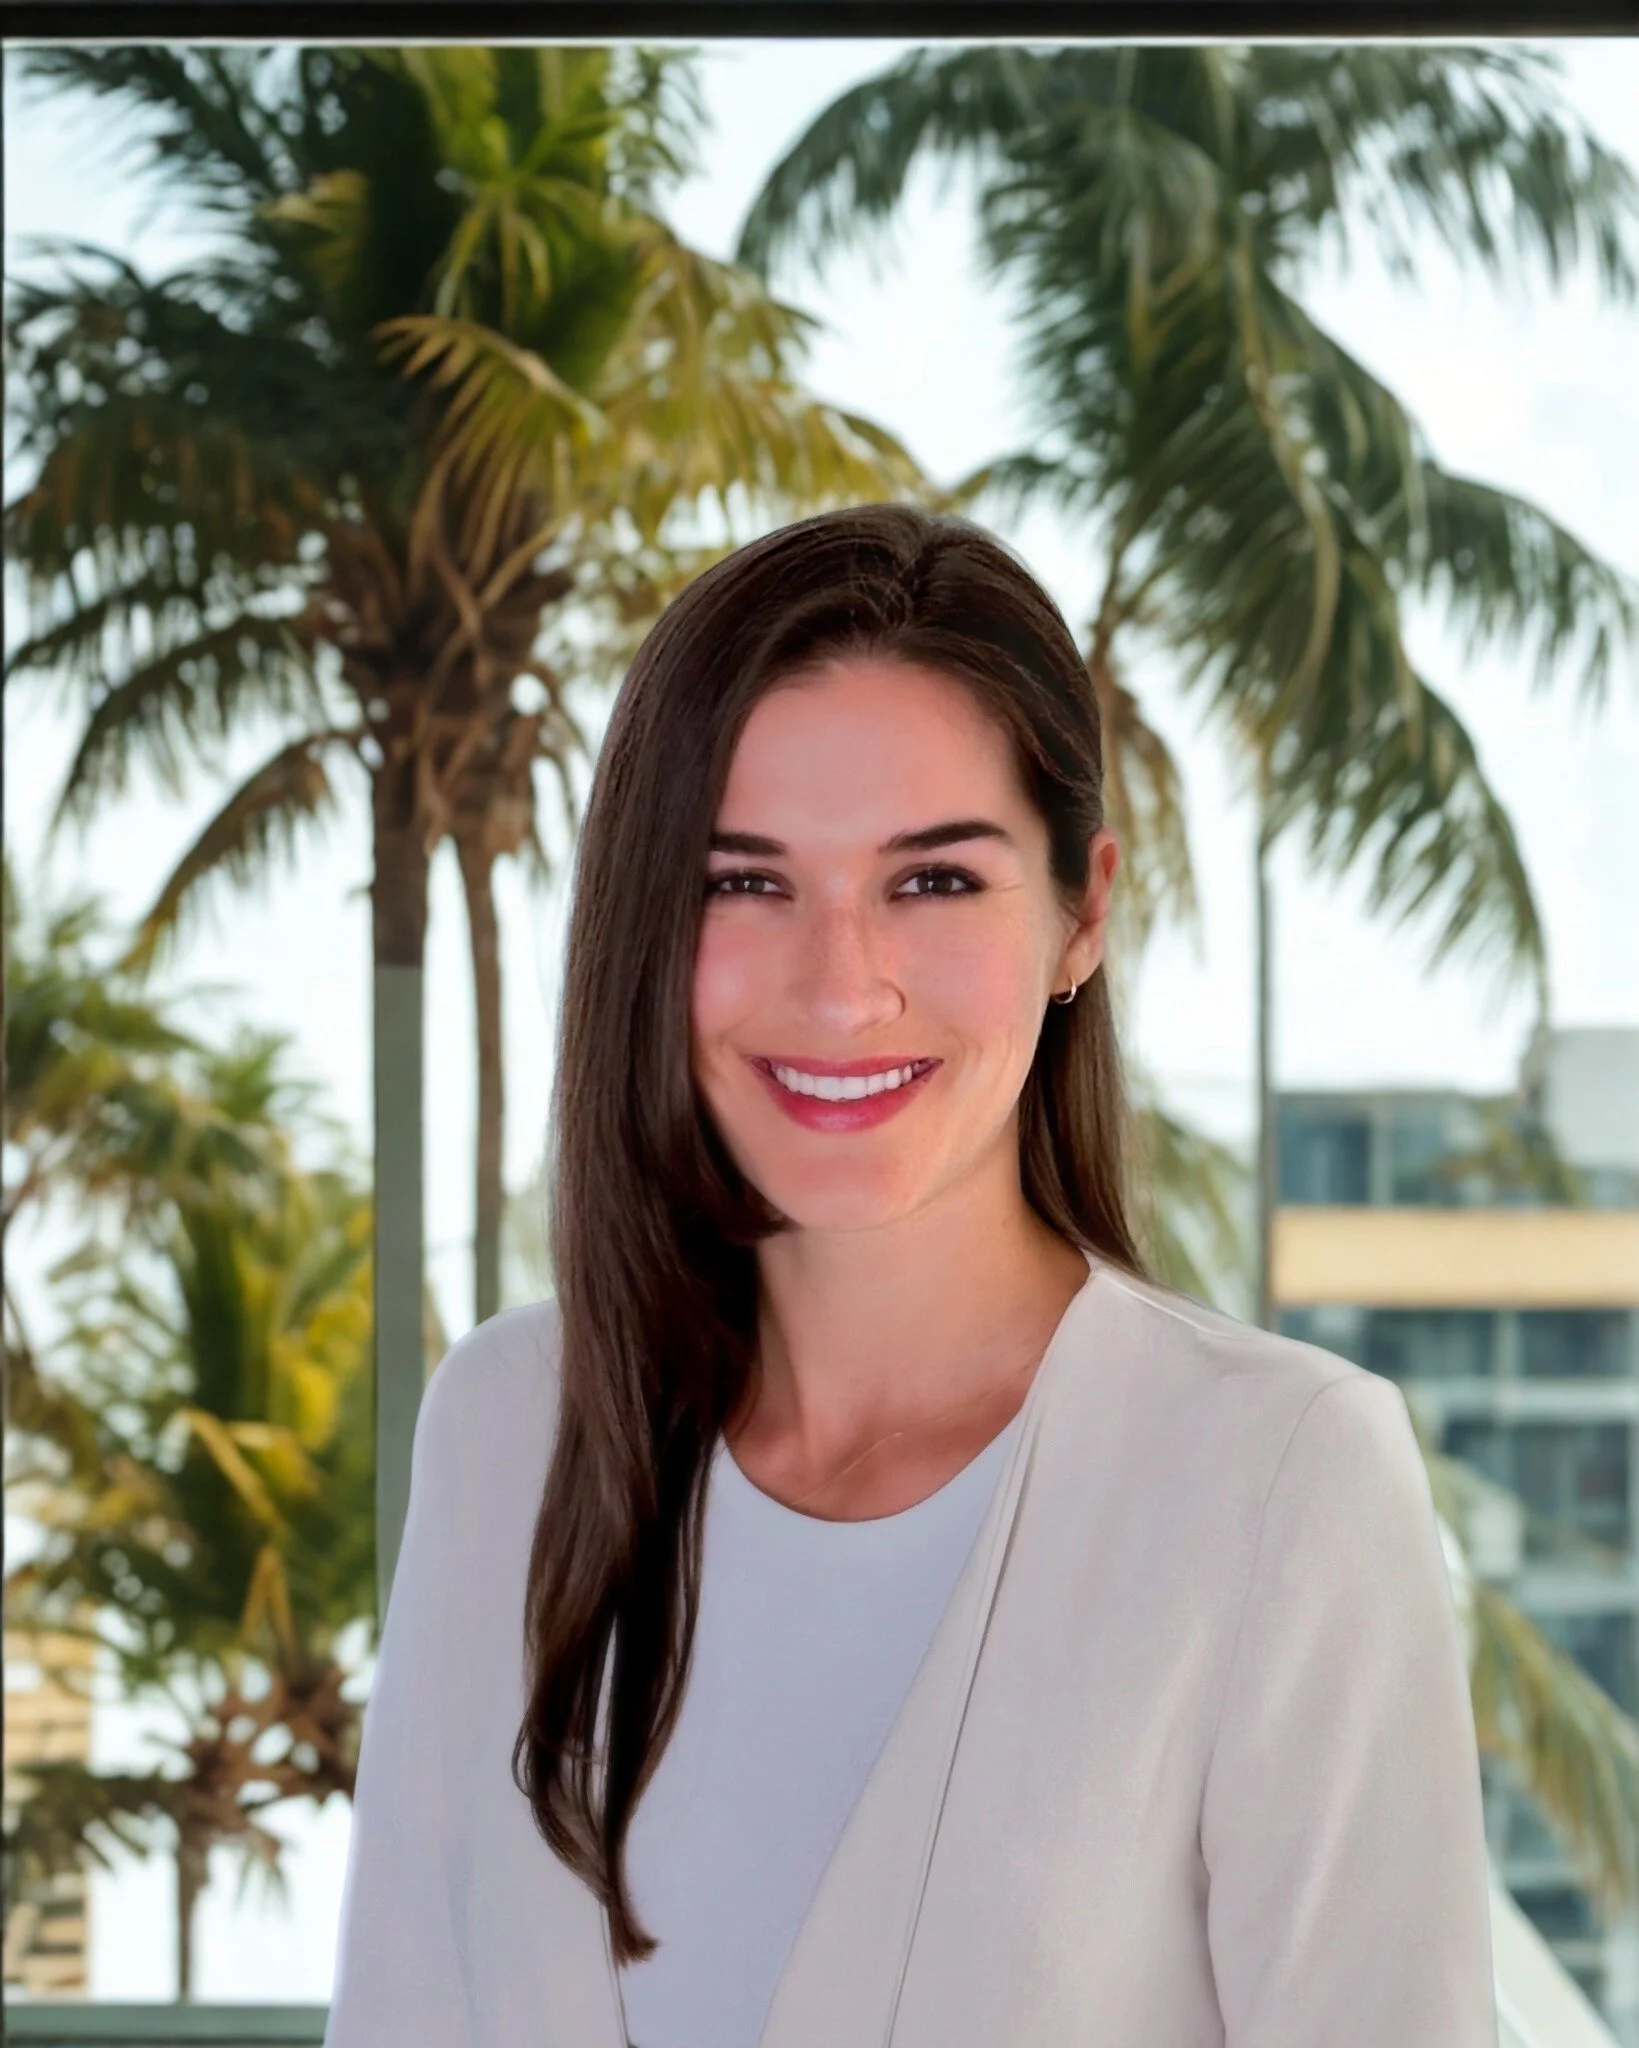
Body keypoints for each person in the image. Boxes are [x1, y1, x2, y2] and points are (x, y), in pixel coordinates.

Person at [323, 503, 1498, 2048]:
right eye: (742, 882)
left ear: (1080, 912)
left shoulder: (1278, 1480)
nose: (839, 985)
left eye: (932, 882)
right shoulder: (509, 1432)